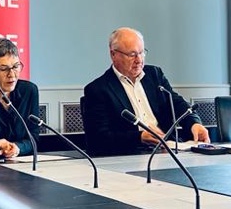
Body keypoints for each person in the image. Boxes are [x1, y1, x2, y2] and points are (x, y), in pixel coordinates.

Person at [83, 27, 209, 156]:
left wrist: (194, 123)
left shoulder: (154, 75)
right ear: (113, 54)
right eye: (132, 55)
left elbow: (177, 103)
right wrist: (140, 137)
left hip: (168, 151)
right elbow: (98, 139)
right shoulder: (98, 89)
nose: (139, 60)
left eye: (142, 52)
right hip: (131, 155)